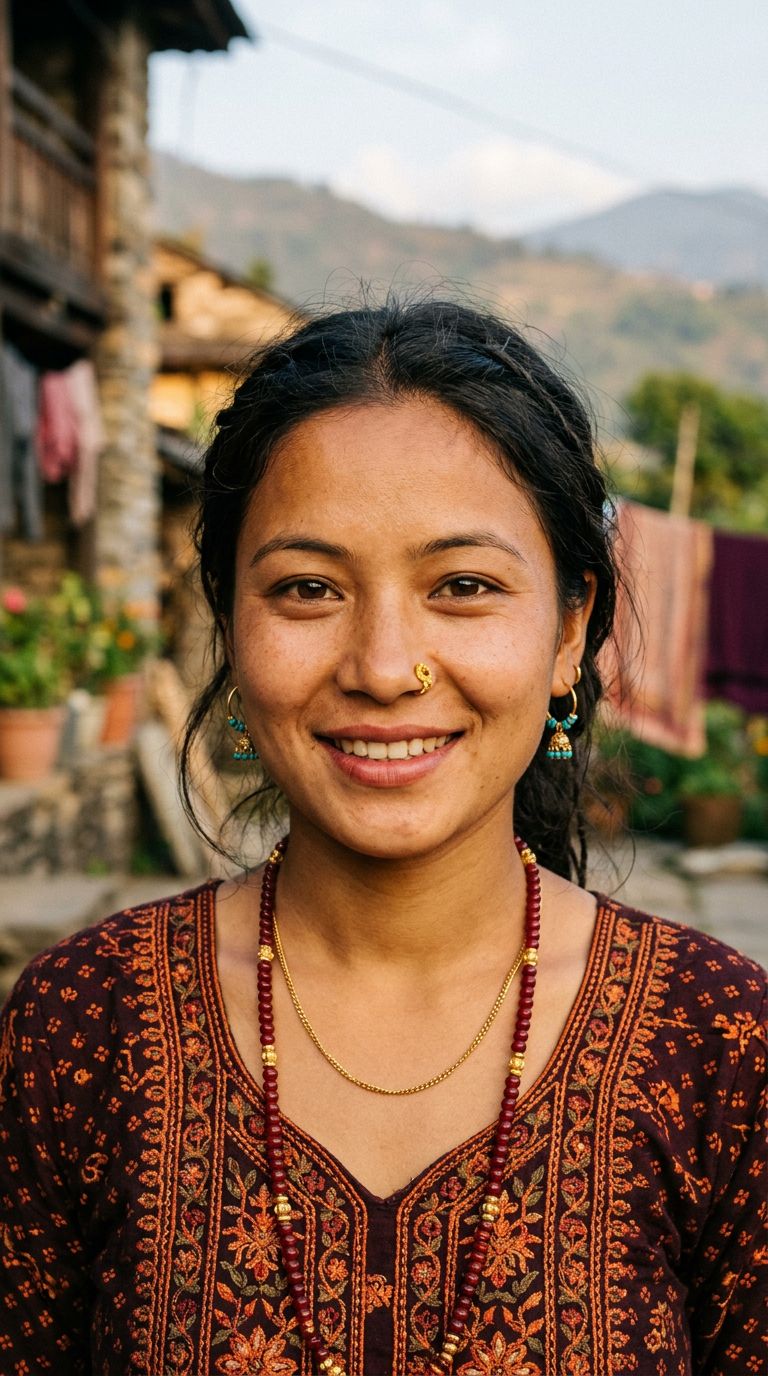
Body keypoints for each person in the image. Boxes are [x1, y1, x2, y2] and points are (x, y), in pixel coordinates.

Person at [0, 299, 765, 1376]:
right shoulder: (83, 1023)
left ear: (570, 629)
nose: (383, 662)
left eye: (463, 585)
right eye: (308, 588)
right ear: (230, 620)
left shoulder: (719, 1042)